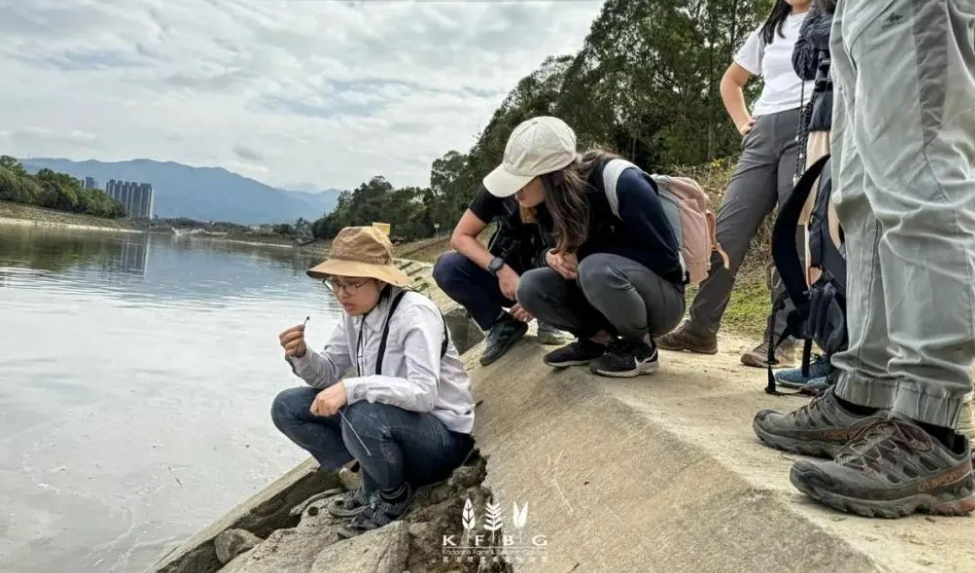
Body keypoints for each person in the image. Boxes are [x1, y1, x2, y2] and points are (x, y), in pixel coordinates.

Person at [753, 0, 975, 517]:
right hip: (851, 13)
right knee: (863, 204)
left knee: (919, 181)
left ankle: (933, 422)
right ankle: (865, 391)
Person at [271, 226, 476, 536]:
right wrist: (301, 354)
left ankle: (393, 497)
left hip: (439, 440)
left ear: (381, 279)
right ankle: (372, 482)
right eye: (336, 283)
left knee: (360, 411)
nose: (342, 293)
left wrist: (353, 387)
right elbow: (327, 372)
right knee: (288, 406)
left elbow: (424, 395)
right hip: (389, 428)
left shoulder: (414, 314)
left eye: (352, 284)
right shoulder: (354, 314)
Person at [658, 0, 814, 369]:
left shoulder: (834, 16)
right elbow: (731, 80)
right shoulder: (770, 27)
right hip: (763, 132)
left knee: (794, 232)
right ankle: (700, 329)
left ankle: (781, 340)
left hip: (809, 126)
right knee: (727, 228)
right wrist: (744, 122)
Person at [477, 116, 685, 378]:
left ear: (549, 176)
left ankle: (641, 348)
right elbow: (551, 253)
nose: (515, 194)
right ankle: (599, 341)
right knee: (529, 287)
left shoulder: (623, 182)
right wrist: (552, 257)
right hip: (600, 293)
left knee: (594, 268)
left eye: (521, 182)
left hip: (659, 302)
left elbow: (666, 259)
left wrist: (586, 258)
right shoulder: (547, 204)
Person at [772, 0, 837, 390]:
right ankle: (830, 352)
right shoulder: (818, 12)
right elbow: (804, 62)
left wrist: (830, 28)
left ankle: (852, 360)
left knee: (856, 243)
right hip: (822, 121)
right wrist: (827, 26)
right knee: (820, 242)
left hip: (870, 117)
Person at [433, 185, 566, 367]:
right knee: (447, 267)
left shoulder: (566, 191)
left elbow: (574, 259)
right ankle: (501, 324)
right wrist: (501, 270)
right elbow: (460, 237)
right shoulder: (499, 187)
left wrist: (534, 294)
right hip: (508, 283)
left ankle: (550, 318)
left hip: (552, 282)